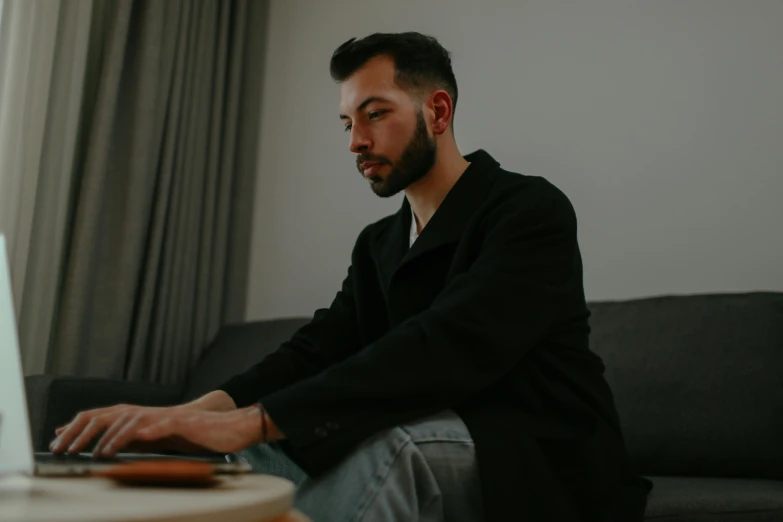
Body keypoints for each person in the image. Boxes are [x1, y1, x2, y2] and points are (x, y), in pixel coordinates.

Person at [50, 32, 652, 521]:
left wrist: (249, 419)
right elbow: (317, 349)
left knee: (386, 448)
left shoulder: (528, 211)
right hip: (442, 433)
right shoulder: (379, 244)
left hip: (540, 451)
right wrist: (200, 411)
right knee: (240, 456)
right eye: (347, 123)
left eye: (376, 114)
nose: (356, 141)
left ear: (437, 111)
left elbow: (444, 345)